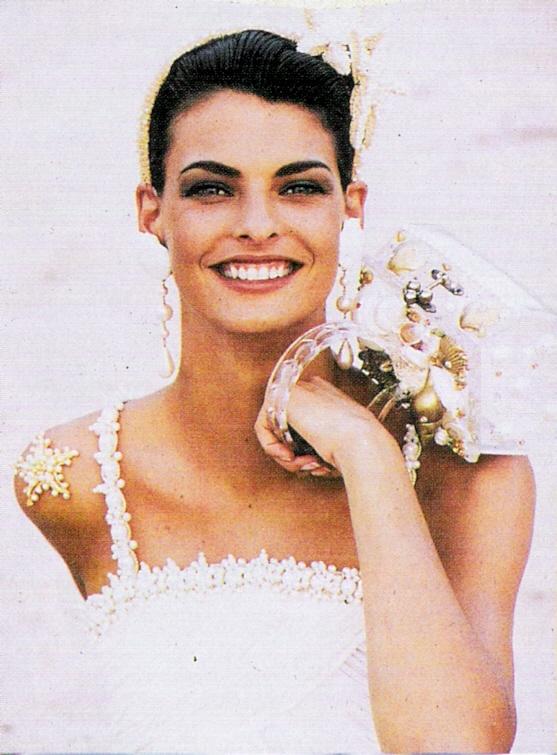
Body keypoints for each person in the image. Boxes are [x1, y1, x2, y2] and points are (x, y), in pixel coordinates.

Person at [13, 29, 535, 753]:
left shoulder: (469, 471)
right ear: (152, 211)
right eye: (211, 189)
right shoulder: (74, 476)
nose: (257, 225)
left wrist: (367, 456)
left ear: (349, 205)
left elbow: (451, 746)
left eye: (299, 188)